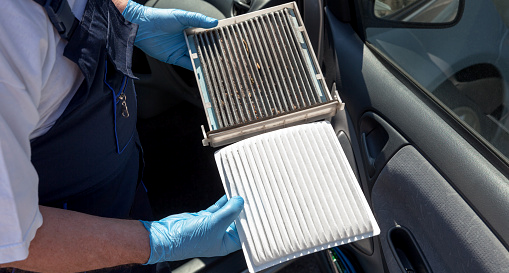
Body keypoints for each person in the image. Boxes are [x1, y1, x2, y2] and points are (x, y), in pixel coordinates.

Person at [0, 0, 244, 272]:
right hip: (72, 249)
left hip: (123, 187)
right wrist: (157, 243)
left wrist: (124, 16)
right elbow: (12, 242)